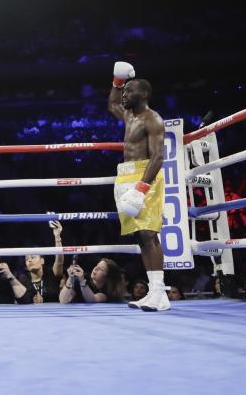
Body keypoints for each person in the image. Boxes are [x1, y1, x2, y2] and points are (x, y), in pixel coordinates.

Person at [108, 62, 169, 311]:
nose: (124, 95)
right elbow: (112, 104)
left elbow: (158, 157)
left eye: (129, 91)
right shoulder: (129, 116)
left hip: (146, 175)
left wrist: (142, 187)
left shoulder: (152, 119)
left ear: (143, 94)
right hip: (125, 176)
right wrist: (117, 80)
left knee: (149, 234)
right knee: (139, 237)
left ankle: (160, 294)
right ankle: (153, 291)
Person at [58, 258, 125, 304]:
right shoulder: (82, 280)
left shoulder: (107, 291)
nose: (95, 269)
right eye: (96, 266)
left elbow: (92, 299)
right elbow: (63, 301)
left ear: (107, 277)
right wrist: (70, 278)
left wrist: (82, 281)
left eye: (101, 269)